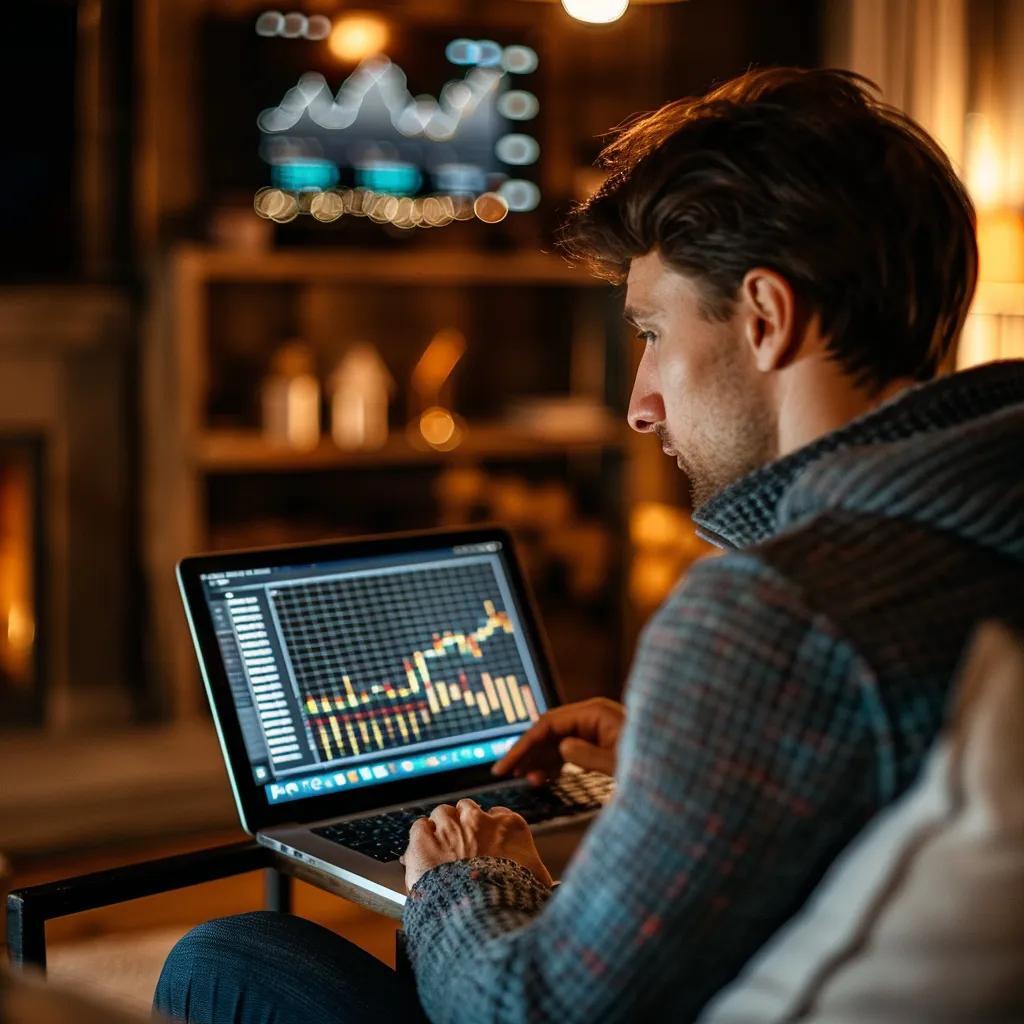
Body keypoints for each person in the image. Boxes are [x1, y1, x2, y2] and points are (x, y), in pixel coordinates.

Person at [155, 66, 1024, 1023]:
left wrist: (466, 881)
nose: (639, 403)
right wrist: (687, 758)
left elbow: (533, 1012)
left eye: (652, 332)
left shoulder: (779, 613)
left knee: (227, 957)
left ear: (768, 319)